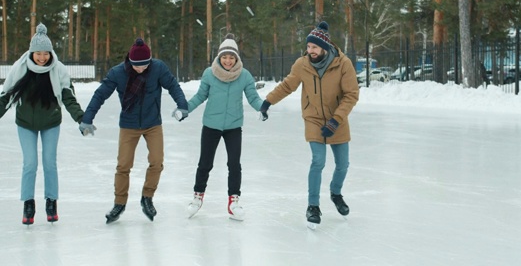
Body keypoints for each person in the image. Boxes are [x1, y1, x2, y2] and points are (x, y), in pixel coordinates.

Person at [259, 21, 359, 228]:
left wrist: (335, 120)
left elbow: (351, 95)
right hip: (313, 118)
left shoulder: (343, 64)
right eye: (308, 47)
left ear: (324, 47)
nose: (310, 50)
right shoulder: (302, 64)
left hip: (337, 119)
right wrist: (267, 101)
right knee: (318, 161)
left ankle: (336, 193)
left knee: (343, 165)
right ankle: (313, 206)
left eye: (314, 47)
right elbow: (287, 86)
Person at [79, 38, 189, 224]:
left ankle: (147, 197)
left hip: (153, 123)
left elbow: (172, 85)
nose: (140, 69)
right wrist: (87, 119)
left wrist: (182, 105)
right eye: (137, 66)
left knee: (156, 161)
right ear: (130, 61)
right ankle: (119, 203)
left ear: (150, 61)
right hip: (129, 125)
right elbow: (100, 94)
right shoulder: (118, 73)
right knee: (123, 165)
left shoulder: (158, 68)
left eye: (144, 65)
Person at [0, 24, 86, 225]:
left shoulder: (59, 70)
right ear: (31, 52)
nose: (42, 57)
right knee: (29, 164)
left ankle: (51, 201)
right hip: (25, 124)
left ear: (50, 53)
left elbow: (68, 97)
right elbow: (5, 97)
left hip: (50, 123)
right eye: (38, 53)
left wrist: (82, 119)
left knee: (50, 163)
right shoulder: (20, 69)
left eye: (45, 53)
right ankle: (28, 204)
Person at [185, 34, 265, 221]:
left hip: (233, 126)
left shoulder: (244, 75)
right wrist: (185, 108)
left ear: (236, 58)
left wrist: (262, 108)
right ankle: (197, 198)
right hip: (211, 125)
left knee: (234, 164)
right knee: (205, 163)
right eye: (224, 57)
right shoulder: (209, 73)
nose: (228, 61)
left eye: (231, 57)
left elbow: (253, 97)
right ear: (219, 57)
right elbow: (200, 96)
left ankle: (233, 202)